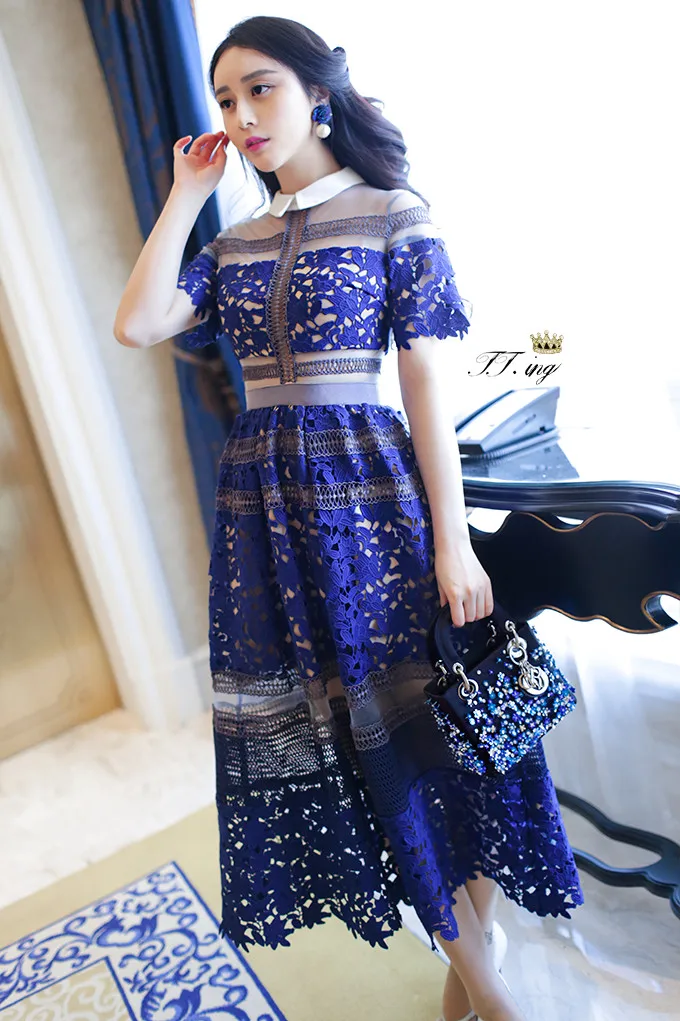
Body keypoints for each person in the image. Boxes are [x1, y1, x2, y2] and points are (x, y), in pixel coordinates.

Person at [114, 15, 583, 1021]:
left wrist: (451, 541)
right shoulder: (232, 242)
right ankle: (484, 981)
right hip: (265, 515)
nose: (242, 116)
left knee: (442, 728)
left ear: (318, 94)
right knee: (350, 740)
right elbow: (138, 322)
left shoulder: (390, 213)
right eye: (226, 99)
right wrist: (186, 193)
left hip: (375, 503)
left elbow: (424, 383)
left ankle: (478, 977)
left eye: (262, 89)